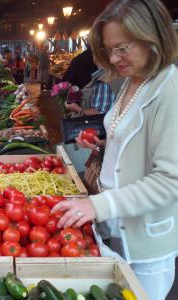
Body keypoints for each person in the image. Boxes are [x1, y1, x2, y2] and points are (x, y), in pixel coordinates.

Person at [52, 1, 178, 299]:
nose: (114, 57)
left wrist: (97, 206)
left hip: (145, 240)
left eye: (122, 48)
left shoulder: (170, 90)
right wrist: (104, 144)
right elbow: (139, 143)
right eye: (109, 49)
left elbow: (171, 180)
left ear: (153, 37)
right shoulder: (135, 80)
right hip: (117, 227)